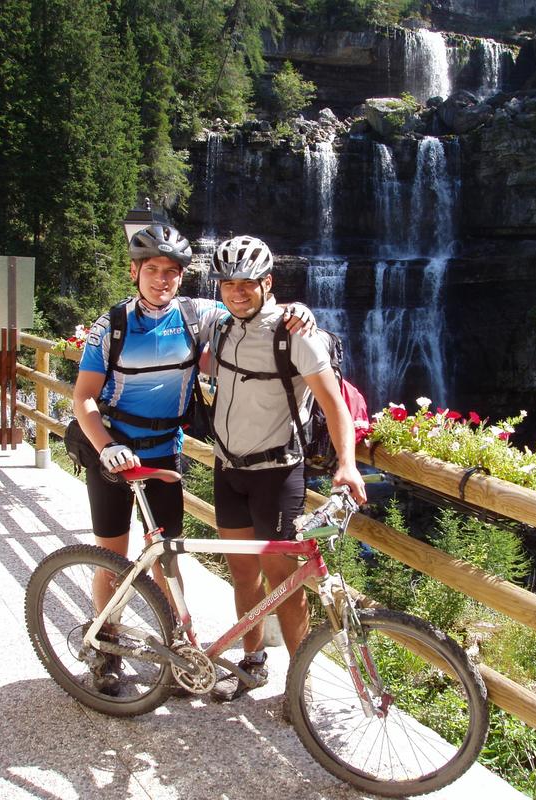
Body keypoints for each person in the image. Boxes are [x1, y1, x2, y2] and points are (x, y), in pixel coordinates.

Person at [73, 223, 313, 695]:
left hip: (164, 454)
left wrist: (298, 311)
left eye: (172, 272)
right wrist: (107, 446)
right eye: (153, 270)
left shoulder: (197, 314)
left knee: (168, 559)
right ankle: (104, 647)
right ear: (135, 271)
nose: (163, 279)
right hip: (113, 452)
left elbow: (251, 308)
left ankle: (177, 645)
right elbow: (83, 398)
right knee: (113, 558)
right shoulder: (112, 326)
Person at [206, 234, 367, 703]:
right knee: (242, 574)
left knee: (285, 581)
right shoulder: (220, 325)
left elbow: (333, 405)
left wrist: (348, 465)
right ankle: (252, 662)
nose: (237, 291)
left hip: (276, 474)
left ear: (267, 282)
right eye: (228, 283)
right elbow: (166, 296)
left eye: (248, 283)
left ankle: (301, 684)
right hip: (226, 469)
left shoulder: (295, 332)